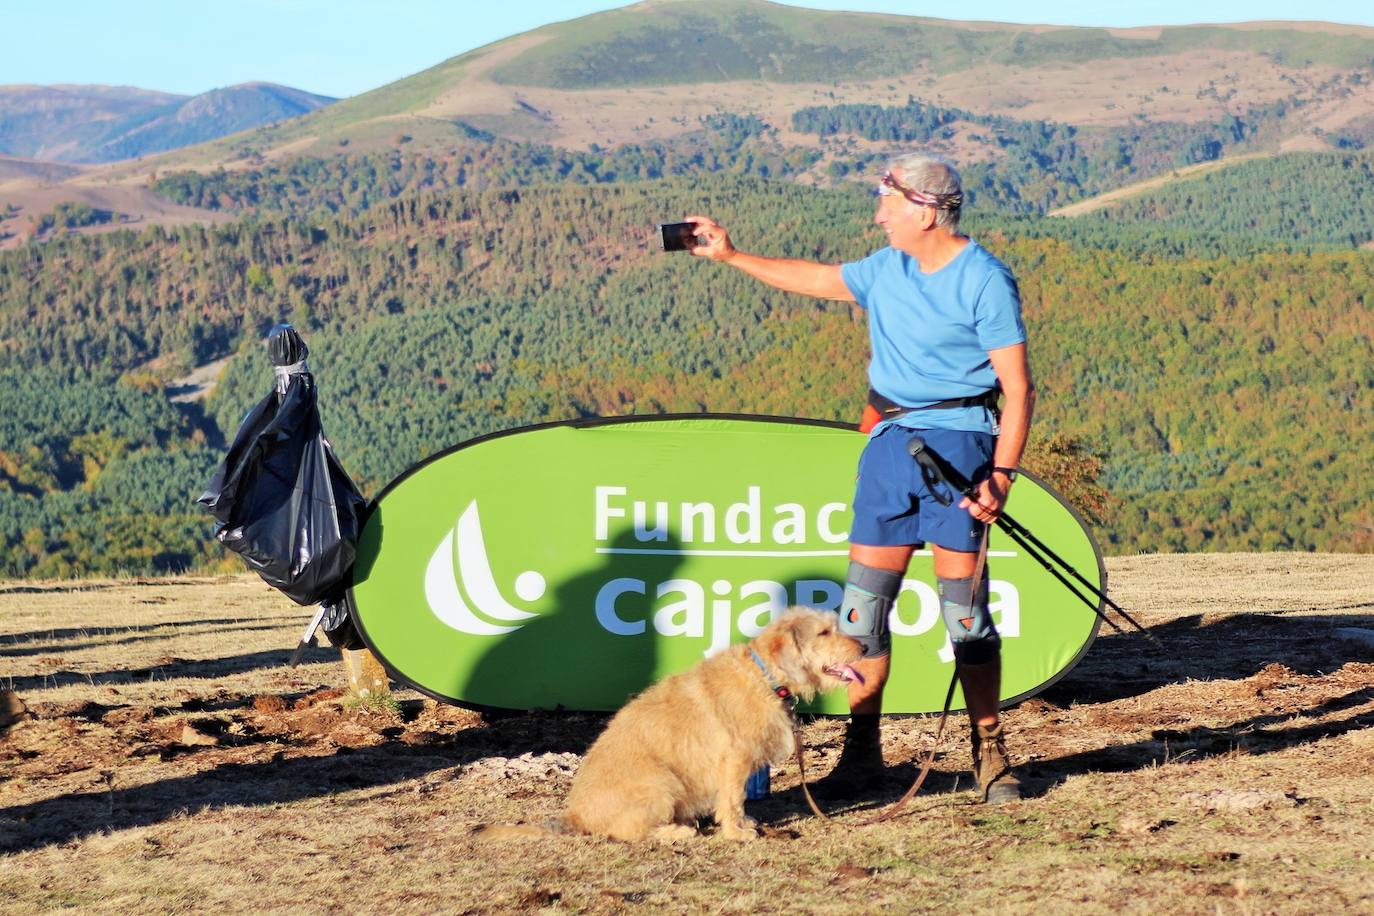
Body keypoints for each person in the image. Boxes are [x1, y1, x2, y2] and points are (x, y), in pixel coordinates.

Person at [685, 152, 1034, 804]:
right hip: (887, 451)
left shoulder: (985, 280)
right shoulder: (886, 269)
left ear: (925, 211)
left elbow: (1017, 388)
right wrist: (731, 255)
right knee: (862, 613)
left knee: (965, 616)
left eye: (888, 203)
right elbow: (816, 279)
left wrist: (1002, 477)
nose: (878, 216)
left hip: (961, 450)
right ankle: (861, 756)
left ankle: (990, 753)